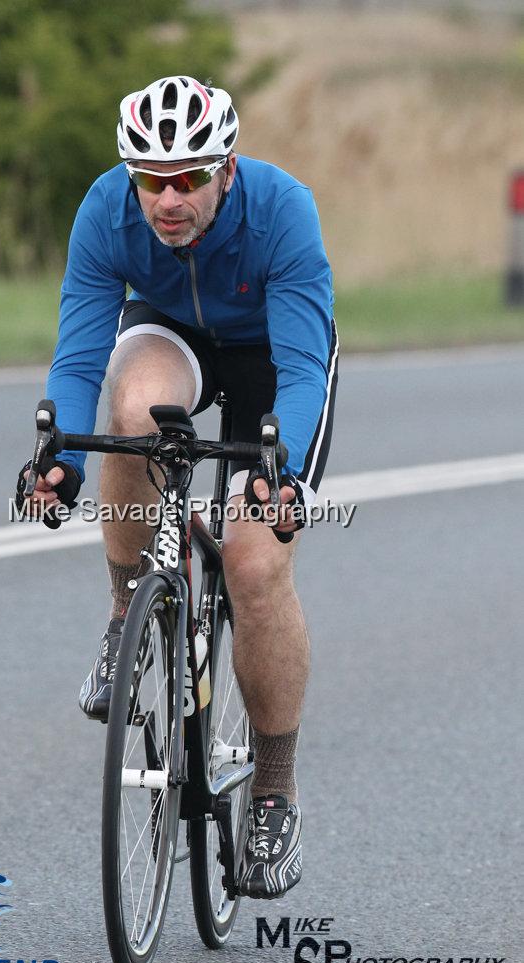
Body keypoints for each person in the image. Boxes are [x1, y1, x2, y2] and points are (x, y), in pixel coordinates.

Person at [17, 75, 338, 900]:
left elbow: (304, 369)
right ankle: (131, 613)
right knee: (130, 407)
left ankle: (273, 790)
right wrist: (62, 461)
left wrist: (282, 474)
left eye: (189, 177)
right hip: (173, 336)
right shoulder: (105, 208)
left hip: (273, 358)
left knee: (254, 561)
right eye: (150, 178)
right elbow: (81, 349)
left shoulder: (282, 211)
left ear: (225, 169)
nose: (167, 198)